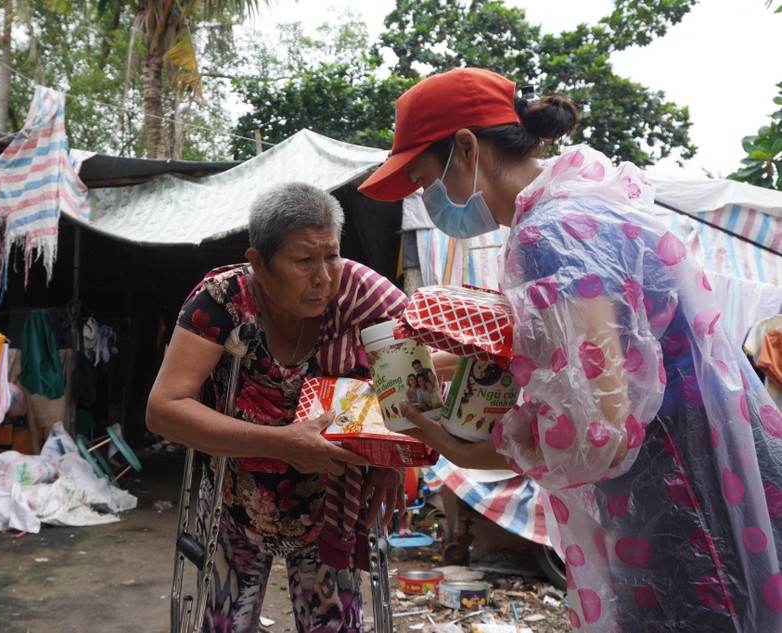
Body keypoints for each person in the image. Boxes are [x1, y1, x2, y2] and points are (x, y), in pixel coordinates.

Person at [358, 67, 782, 632]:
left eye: (423, 179)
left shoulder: (549, 236)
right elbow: (591, 357)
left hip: (678, 487)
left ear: (464, 148)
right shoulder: (580, 207)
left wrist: (454, 444)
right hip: (710, 462)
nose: (425, 198)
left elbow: (595, 435)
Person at [146, 182, 408, 632]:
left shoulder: (359, 295)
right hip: (236, 498)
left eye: (332, 255)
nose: (324, 277)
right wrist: (281, 443)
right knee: (225, 624)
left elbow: (412, 375)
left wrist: (392, 456)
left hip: (333, 504)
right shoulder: (223, 299)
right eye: (305, 260)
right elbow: (164, 407)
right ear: (258, 264)